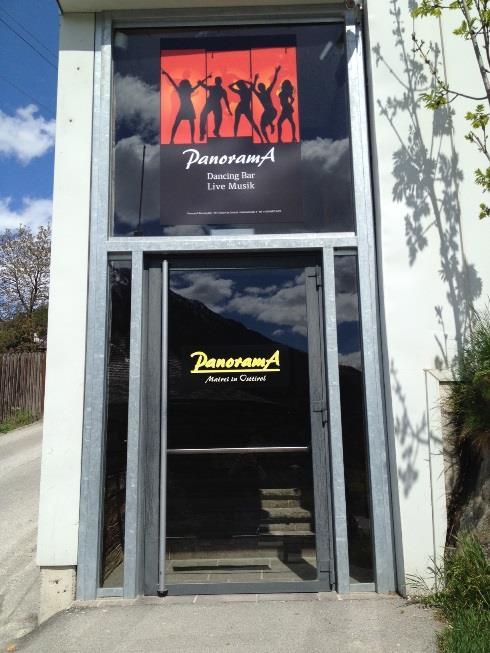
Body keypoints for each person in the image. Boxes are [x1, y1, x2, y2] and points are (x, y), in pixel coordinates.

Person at [162, 70, 209, 144]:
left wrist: (166, 74)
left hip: (183, 107)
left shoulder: (180, 90)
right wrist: (207, 78)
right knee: (191, 124)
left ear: (181, 84)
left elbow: (172, 82)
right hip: (189, 107)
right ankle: (191, 140)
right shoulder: (189, 90)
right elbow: (198, 85)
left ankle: (172, 139)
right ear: (188, 84)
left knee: (177, 124)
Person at [228, 77, 264, 142]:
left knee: (251, 123)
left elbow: (230, 87)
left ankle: (261, 137)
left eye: (239, 86)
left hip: (245, 108)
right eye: (238, 86)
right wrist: (243, 81)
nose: (239, 87)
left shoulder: (244, 90)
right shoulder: (246, 90)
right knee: (237, 122)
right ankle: (235, 136)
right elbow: (229, 87)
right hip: (241, 107)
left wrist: (238, 82)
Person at [252, 65, 281, 143]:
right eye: (260, 88)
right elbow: (253, 89)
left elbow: (273, 82)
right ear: (260, 89)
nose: (261, 88)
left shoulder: (267, 92)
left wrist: (276, 72)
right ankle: (268, 139)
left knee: (264, 123)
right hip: (269, 112)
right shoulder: (260, 94)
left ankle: (271, 126)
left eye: (262, 87)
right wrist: (255, 79)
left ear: (264, 88)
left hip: (272, 111)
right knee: (262, 125)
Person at [198, 76, 232, 140]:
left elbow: (226, 101)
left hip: (213, 104)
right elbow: (201, 84)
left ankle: (214, 131)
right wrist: (204, 80)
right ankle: (204, 132)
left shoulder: (220, 90)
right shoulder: (219, 90)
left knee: (218, 118)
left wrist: (229, 110)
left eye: (217, 81)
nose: (217, 82)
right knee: (204, 115)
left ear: (216, 82)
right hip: (211, 103)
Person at [277, 79, 297, 143]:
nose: (283, 85)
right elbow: (292, 99)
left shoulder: (286, 92)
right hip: (285, 108)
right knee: (290, 122)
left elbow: (292, 99)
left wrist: (289, 104)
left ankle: (292, 138)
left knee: (280, 123)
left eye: (284, 84)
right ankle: (292, 138)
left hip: (287, 108)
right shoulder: (284, 92)